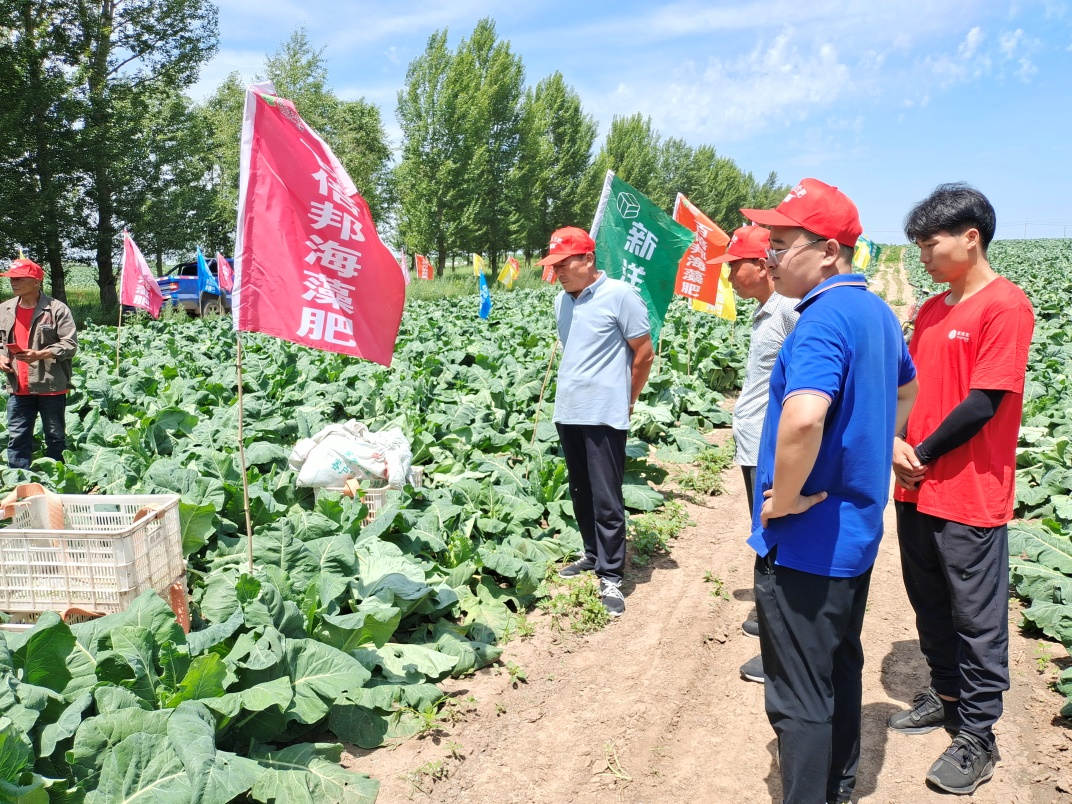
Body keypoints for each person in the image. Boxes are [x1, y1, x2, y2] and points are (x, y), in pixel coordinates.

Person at [743, 179, 918, 803]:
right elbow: (906, 388)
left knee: (799, 695)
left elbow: (804, 417)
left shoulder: (820, 320)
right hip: (855, 534)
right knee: (840, 664)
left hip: (808, 541)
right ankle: (839, 786)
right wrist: (879, 440)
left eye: (780, 243)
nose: (768, 256)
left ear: (827, 251)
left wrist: (787, 498)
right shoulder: (877, 313)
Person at [888, 184, 1034, 795]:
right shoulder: (929, 311)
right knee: (928, 601)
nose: (922, 255)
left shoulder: (1005, 306)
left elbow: (984, 402)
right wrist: (895, 442)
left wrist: (920, 453)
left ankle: (978, 733)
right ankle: (945, 694)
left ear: (970, 238)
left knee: (976, 617)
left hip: (969, 490)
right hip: (915, 488)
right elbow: (910, 390)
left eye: (931, 243)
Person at [542, 226, 654, 617]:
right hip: (569, 410)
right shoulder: (561, 301)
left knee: (606, 497)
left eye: (564, 263)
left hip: (604, 413)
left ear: (588, 259)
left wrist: (627, 400)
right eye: (554, 265)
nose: (558, 271)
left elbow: (644, 353)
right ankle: (592, 554)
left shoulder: (621, 295)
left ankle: (611, 575)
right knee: (580, 489)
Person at [706, 225, 798, 684]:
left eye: (733, 267)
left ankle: (782, 650)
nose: (728, 277)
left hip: (774, 446)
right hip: (756, 443)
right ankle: (770, 620)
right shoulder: (768, 311)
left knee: (776, 541)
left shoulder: (789, 310)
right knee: (765, 535)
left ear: (762, 265)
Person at [0, 258, 78, 468]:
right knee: (17, 437)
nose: (13, 282)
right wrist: (1, 357)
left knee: (55, 436)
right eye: (11, 278)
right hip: (18, 386)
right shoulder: (4, 309)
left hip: (50, 385)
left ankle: (56, 478)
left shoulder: (56, 309)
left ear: (36, 282)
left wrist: (41, 354)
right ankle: (19, 480)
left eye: (19, 278)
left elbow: (70, 344)